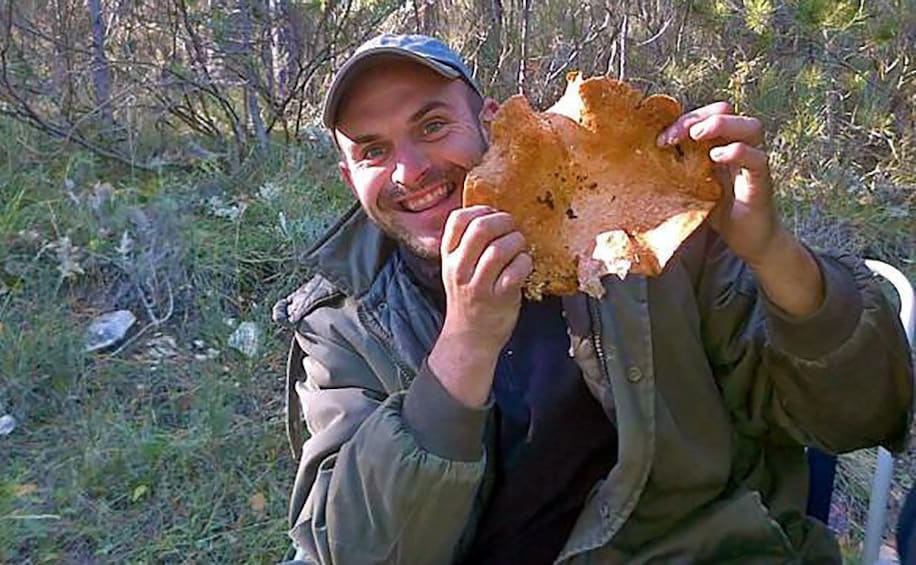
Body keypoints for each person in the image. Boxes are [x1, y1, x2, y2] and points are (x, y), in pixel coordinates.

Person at [272, 33, 914, 563]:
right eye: (373, 152)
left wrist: (771, 249)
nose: (410, 173)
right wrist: (466, 341)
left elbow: (860, 416)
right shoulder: (346, 323)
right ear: (348, 175)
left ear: (493, 121)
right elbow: (353, 549)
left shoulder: (648, 232)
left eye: (433, 125)